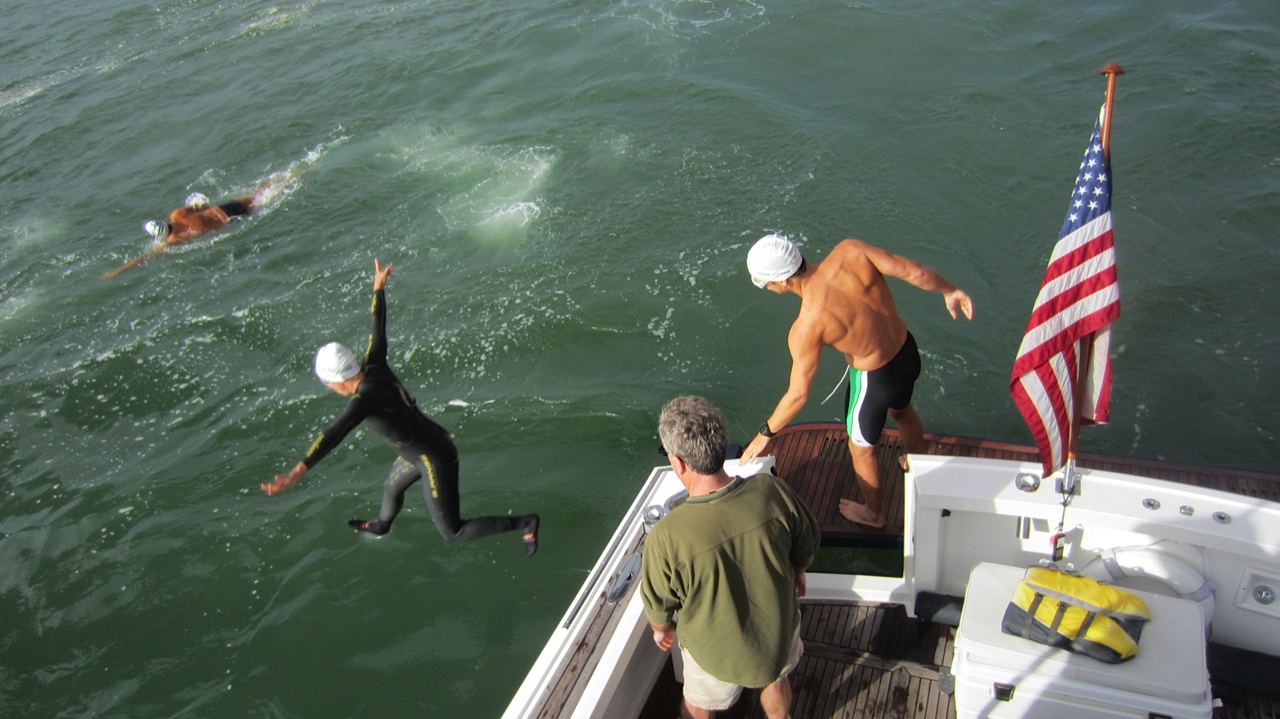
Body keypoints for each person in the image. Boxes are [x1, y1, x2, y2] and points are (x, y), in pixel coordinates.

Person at [262, 259, 540, 555]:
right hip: (421, 445)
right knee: (391, 487)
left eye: (325, 382)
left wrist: (299, 470)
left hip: (435, 456)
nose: (327, 387)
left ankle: (525, 523)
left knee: (452, 532)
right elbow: (377, 327)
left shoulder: (364, 400)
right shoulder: (373, 363)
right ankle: (382, 525)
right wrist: (378, 288)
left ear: (337, 380)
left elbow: (335, 432)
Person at [739, 234, 973, 529]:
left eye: (765, 283)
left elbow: (798, 394)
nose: (768, 289)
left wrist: (766, 433)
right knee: (903, 411)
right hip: (906, 353)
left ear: (783, 281)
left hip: (874, 381)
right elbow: (916, 272)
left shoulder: (806, 327)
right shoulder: (850, 251)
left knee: (860, 449)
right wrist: (950, 290)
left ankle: (874, 514)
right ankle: (914, 459)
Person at [641, 396, 820, 719]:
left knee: (697, 706)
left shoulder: (666, 537)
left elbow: (658, 612)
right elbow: (806, 543)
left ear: (678, 463)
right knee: (775, 678)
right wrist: (798, 571)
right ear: (722, 446)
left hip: (715, 659)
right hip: (777, 640)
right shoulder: (772, 491)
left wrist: (661, 629)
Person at [102, 189, 265, 279]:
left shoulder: (175, 239)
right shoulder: (177, 214)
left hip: (231, 220)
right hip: (224, 209)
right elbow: (202, 206)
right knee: (262, 193)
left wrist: (118, 271)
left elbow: (145, 257)